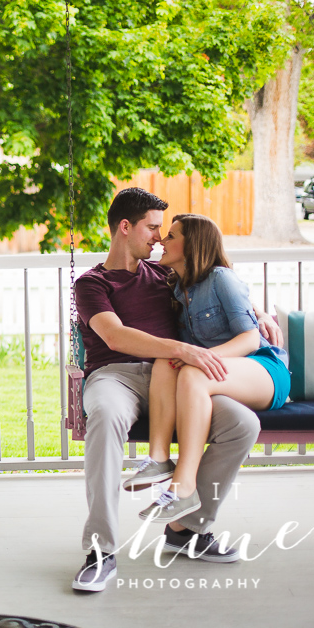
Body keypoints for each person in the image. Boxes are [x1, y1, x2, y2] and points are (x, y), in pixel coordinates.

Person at [71, 187, 281, 592]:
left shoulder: (165, 274)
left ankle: (187, 530)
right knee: (105, 417)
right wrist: (182, 350)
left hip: (177, 378)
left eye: (162, 231)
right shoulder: (91, 284)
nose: (157, 237)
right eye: (152, 228)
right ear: (125, 227)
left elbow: (216, 282)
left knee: (242, 424)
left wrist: (257, 311)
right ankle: (100, 551)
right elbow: (114, 336)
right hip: (116, 376)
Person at [129, 214, 290, 522]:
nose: (162, 240)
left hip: (262, 369)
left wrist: (204, 356)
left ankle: (183, 487)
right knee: (167, 359)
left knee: (191, 370)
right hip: (221, 376)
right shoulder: (176, 287)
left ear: (193, 246)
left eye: (172, 236)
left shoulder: (221, 278)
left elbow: (250, 337)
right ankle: (159, 458)